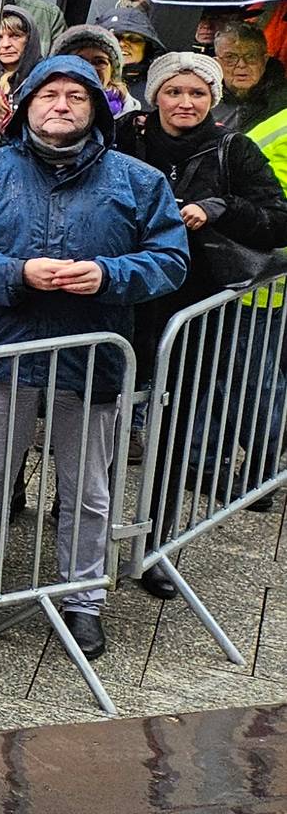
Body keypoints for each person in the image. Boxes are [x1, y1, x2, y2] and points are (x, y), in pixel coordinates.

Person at [0, 57, 189, 659]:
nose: (62, 105)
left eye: (77, 96)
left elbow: (170, 260)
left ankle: (83, 599)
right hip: (4, 349)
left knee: (89, 485)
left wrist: (107, 274)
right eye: (49, 94)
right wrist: (15, 273)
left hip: (93, 354)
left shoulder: (139, 180)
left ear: (97, 108)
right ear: (25, 105)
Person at [115, 52, 287, 595]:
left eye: (196, 94)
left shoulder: (234, 149)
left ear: (212, 100)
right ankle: (77, 521)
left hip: (193, 311)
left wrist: (220, 208)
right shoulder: (123, 136)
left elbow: (278, 221)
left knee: (173, 428)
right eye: (174, 91)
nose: (184, 103)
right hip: (120, 301)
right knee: (96, 417)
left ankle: (157, 544)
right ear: (155, 94)